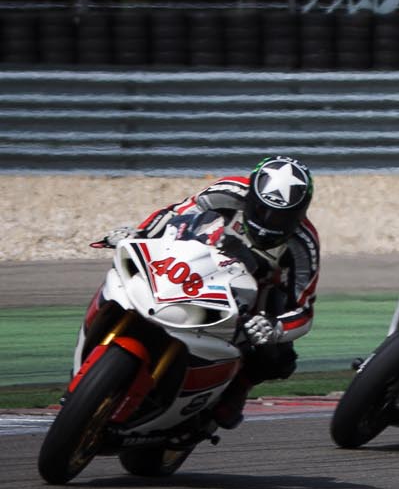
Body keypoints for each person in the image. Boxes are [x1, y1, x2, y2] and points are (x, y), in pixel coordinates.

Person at [99, 156, 320, 428]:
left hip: (252, 292)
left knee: (278, 357)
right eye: (264, 211)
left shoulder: (303, 244)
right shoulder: (226, 192)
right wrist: (140, 233)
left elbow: (304, 310)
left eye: (282, 216)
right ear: (252, 197)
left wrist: (274, 327)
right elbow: (175, 213)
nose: (271, 220)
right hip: (193, 263)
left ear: (300, 213)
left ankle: (238, 386)